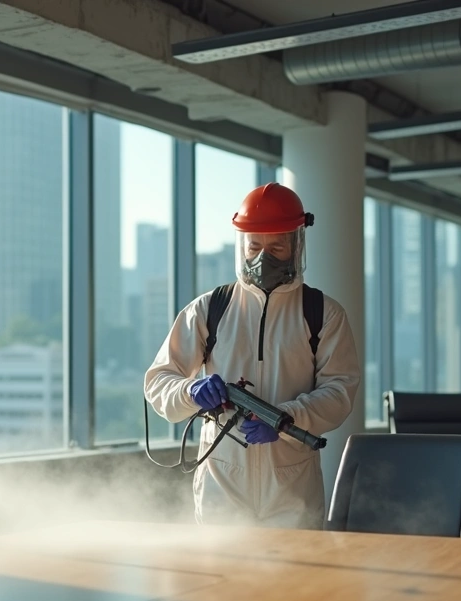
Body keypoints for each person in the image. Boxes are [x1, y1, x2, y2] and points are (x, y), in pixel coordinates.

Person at [143, 182, 361, 530]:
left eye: (277, 246)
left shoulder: (322, 313)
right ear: (241, 244)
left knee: (299, 581)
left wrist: (286, 418)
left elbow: (340, 390)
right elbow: (158, 381)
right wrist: (190, 392)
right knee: (226, 580)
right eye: (254, 245)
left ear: (297, 244)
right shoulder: (210, 308)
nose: (264, 257)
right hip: (222, 483)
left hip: (292, 486)